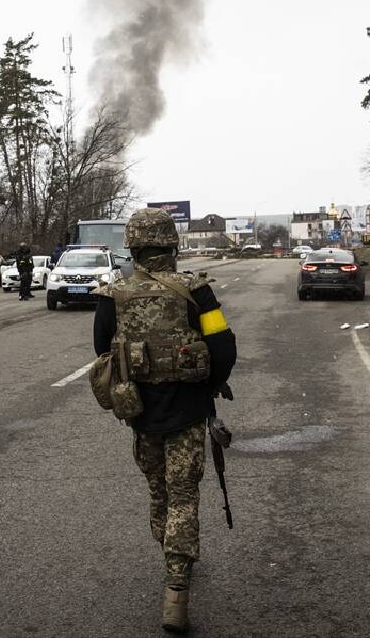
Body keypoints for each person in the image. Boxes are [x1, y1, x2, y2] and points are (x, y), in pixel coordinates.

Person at [92, 207, 237, 633]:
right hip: (189, 413)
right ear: (172, 244)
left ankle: (172, 556)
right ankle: (177, 586)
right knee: (184, 496)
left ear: (133, 247)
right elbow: (224, 347)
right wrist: (211, 383)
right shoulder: (196, 292)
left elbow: (103, 352)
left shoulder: (112, 295)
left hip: (140, 416)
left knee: (160, 494)